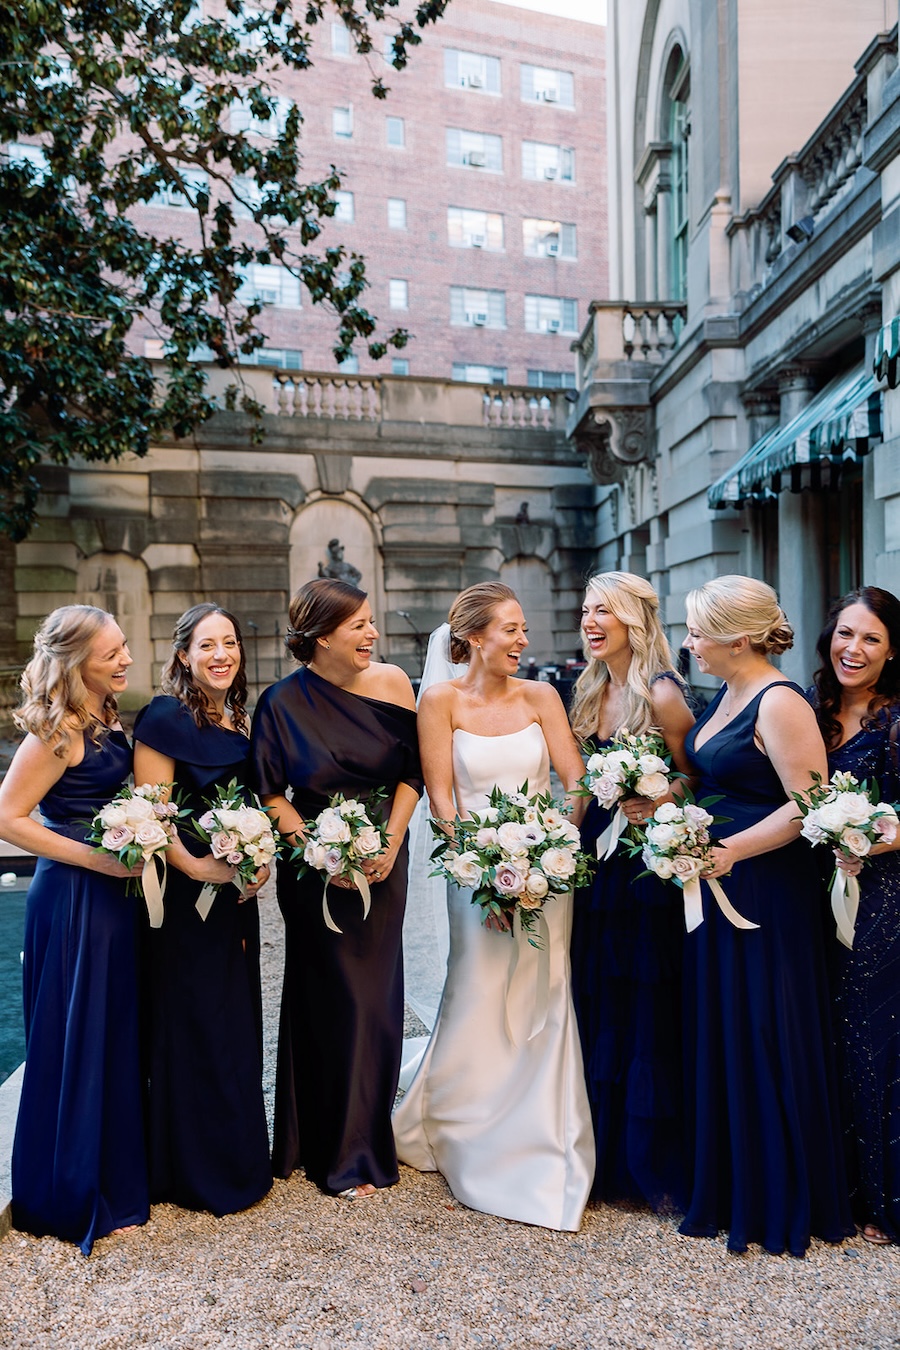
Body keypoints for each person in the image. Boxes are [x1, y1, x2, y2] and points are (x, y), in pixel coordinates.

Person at [392, 582, 595, 1231]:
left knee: (543, 985)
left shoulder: (541, 697)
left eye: (523, 628)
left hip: (547, 875)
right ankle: (462, 1115)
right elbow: (442, 800)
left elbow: (576, 782)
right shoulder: (439, 700)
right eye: (510, 629)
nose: (523, 640)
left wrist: (548, 852)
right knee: (478, 987)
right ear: (474, 636)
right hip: (474, 877)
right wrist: (482, 874)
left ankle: (541, 1129)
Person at [679, 575, 853, 1257]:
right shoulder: (727, 692)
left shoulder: (779, 702)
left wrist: (731, 850)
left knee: (764, 1026)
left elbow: (810, 803)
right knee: (726, 1025)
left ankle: (777, 1195)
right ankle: (730, 1184)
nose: (689, 642)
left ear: (737, 638)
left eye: (697, 631)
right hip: (715, 880)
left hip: (764, 891)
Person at [251, 578, 421, 1198]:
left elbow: (413, 771)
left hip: (383, 863)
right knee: (325, 998)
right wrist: (317, 852)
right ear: (322, 638)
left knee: (374, 1004)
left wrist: (393, 841)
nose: (373, 634)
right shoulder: (279, 703)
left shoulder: (396, 685)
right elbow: (270, 792)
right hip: (313, 872)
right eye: (359, 626)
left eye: (372, 622)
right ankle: (318, 1145)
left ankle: (363, 1144)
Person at [0, 606, 148, 1255]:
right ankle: (64, 1190)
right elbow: (7, 818)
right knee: (73, 1035)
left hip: (112, 898)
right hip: (73, 898)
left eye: (124, 648)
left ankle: (109, 1176)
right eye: (113, 652)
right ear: (77, 661)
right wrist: (97, 858)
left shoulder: (108, 719)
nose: (126, 660)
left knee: (108, 1032)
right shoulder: (55, 734)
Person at [132, 603, 272, 1216]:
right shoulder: (162, 717)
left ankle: (237, 1156)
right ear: (183, 654)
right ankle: (193, 1171)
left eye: (231, 643)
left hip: (235, 895)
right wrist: (197, 867)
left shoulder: (240, 719)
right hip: (187, 901)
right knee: (196, 1019)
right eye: (208, 645)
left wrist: (258, 857)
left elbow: (258, 801)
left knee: (235, 1014)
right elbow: (152, 814)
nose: (222, 655)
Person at [568, 571, 695, 1211]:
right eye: (587, 611)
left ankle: (646, 1160)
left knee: (643, 1004)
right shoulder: (590, 690)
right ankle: (597, 1150)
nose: (591, 623)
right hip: (597, 864)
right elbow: (579, 787)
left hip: (644, 872)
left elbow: (695, 776)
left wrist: (657, 794)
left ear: (635, 622)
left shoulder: (664, 693)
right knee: (598, 996)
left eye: (604, 613)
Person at [807, 585, 900, 1245]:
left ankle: (883, 1194)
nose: (854, 649)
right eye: (845, 634)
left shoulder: (897, 720)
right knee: (826, 1033)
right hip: (812, 894)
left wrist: (881, 832)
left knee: (874, 1040)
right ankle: (836, 1189)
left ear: (892, 651)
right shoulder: (810, 712)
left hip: (883, 902)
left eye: (870, 638)